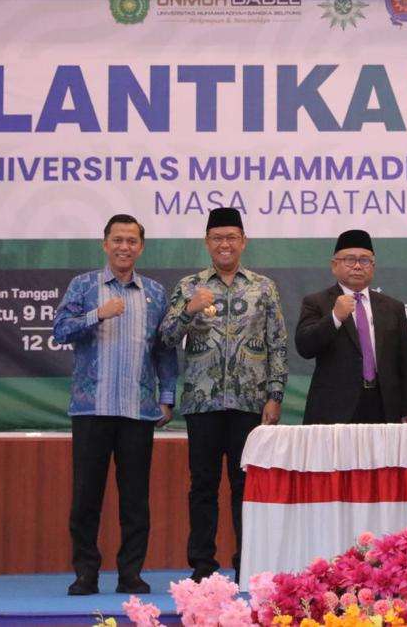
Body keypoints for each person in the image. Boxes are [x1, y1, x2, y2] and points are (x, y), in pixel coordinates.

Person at [159, 207, 287, 583]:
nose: (225, 244)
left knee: (246, 486)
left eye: (231, 237)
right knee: (203, 486)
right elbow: (165, 338)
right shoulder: (189, 286)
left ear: (243, 242)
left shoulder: (263, 287)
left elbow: (277, 343)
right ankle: (202, 566)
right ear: (207, 242)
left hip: (250, 403)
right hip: (203, 402)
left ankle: (248, 562)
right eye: (217, 238)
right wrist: (189, 311)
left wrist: (275, 394)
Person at [53, 213, 176, 596]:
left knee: (135, 501)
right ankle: (86, 574)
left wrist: (167, 396)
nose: (125, 247)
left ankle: (130, 575)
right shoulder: (83, 285)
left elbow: (164, 349)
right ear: (105, 244)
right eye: (118, 240)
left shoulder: (155, 292)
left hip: (138, 411)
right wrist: (97, 314)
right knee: (86, 498)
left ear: (141, 247)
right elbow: (60, 331)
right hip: (91, 410)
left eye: (132, 241)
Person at [295, 229, 407, 424]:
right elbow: (304, 347)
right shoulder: (317, 302)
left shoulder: (392, 307)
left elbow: (405, 362)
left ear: (373, 267)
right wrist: (335, 317)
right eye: (349, 260)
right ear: (334, 265)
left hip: (384, 406)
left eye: (364, 260)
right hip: (334, 409)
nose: (357, 266)